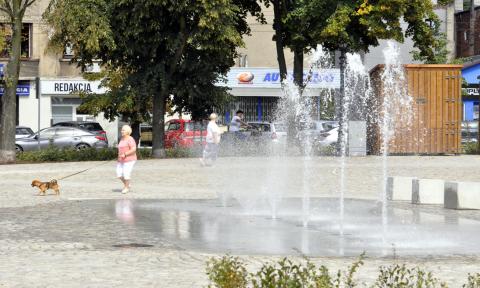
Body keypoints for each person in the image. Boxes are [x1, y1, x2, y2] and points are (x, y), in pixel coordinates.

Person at [117, 124, 137, 193]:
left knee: (126, 173)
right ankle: (127, 184)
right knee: (119, 174)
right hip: (121, 160)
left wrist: (125, 154)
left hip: (129, 160)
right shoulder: (122, 139)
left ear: (127, 131)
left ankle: (126, 188)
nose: (121, 131)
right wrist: (119, 157)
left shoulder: (130, 139)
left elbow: (134, 149)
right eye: (121, 130)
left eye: (123, 130)